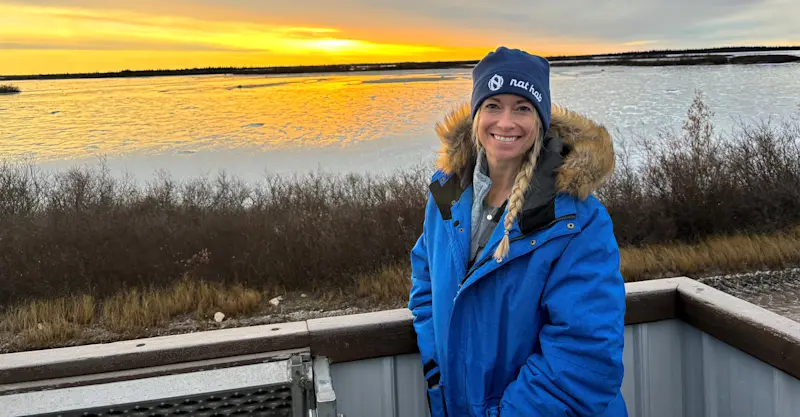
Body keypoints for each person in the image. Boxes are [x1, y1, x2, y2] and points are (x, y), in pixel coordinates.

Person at [408, 46, 627, 416]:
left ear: (540, 119)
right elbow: (425, 283)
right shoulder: (446, 196)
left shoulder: (576, 220)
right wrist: (436, 370)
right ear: (476, 115)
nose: (506, 123)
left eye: (522, 107)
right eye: (493, 105)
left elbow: (585, 356)